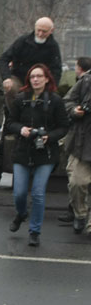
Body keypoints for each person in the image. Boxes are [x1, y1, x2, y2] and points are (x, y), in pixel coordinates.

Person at [5, 63, 69, 246]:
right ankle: (21, 213)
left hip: (46, 152)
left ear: (47, 78)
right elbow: (10, 122)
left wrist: (50, 136)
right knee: (19, 193)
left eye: (39, 76)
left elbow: (64, 126)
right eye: (32, 77)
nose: (35, 79)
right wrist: (22, 129)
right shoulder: (21, 99)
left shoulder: (55, 101)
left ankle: (35, 231)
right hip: (23, 151)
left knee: (39, 193)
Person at [0, 17, 62, 96]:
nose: (40, 34)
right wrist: (6, 77)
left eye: (44, 31)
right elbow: (3, 59)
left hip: (40, 80)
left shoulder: (53, 47)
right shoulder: (23, 41)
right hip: (19, 77)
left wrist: (53, 86)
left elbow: (56, 69)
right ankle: (14, 108)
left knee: (46, 95)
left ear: (51, 31)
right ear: (35, 28)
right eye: (38, 30)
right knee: (11, 88)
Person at [63, 57, 91, 235]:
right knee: (76, 183)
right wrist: (75, 111)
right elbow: (68, 101)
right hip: (84, 142)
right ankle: (80, 213)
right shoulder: (86, 81)